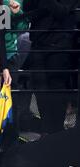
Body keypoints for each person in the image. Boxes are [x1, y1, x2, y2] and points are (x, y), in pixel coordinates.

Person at [23, 0, 77, 134]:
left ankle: (56, 132)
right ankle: (47, 132)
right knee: (39, 89)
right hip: (37, 44)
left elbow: (62, 12)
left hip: (60, 47)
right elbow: (28, 10)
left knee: (56, 90)